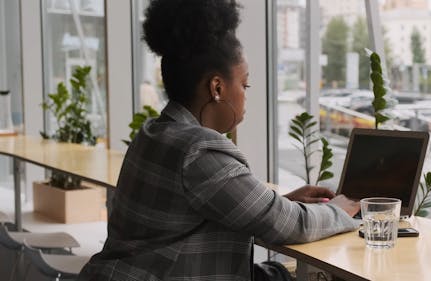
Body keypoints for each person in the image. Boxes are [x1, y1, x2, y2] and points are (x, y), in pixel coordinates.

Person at [77, 1, 360, 280]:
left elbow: (198, 211)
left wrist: (280, 201)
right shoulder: (199, 150)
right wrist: (339, 210)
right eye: (245, 84)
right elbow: (290, 226)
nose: (246, 95)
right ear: (217, 87)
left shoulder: (155, 132)